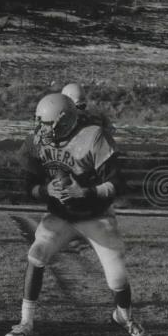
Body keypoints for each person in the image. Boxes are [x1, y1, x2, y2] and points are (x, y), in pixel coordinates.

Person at [5, 93, 150, 336]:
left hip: (96, 215)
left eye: (46, 123)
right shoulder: (37, 141)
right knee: (36, 255)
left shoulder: (92, 136)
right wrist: (46, 190)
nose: (40, 128)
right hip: (61, 215)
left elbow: (119, 183)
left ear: (63, 121)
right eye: (39, 122)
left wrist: (85, 191)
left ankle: (123, 317)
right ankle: (25, 321)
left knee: (116, 275)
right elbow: (27, 184)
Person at [61, 82, 116, 253]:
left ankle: (78, 237)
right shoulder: (96, 114)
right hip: (94, 162)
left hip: (81, 163)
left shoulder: (69, 115)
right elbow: (110, 131)